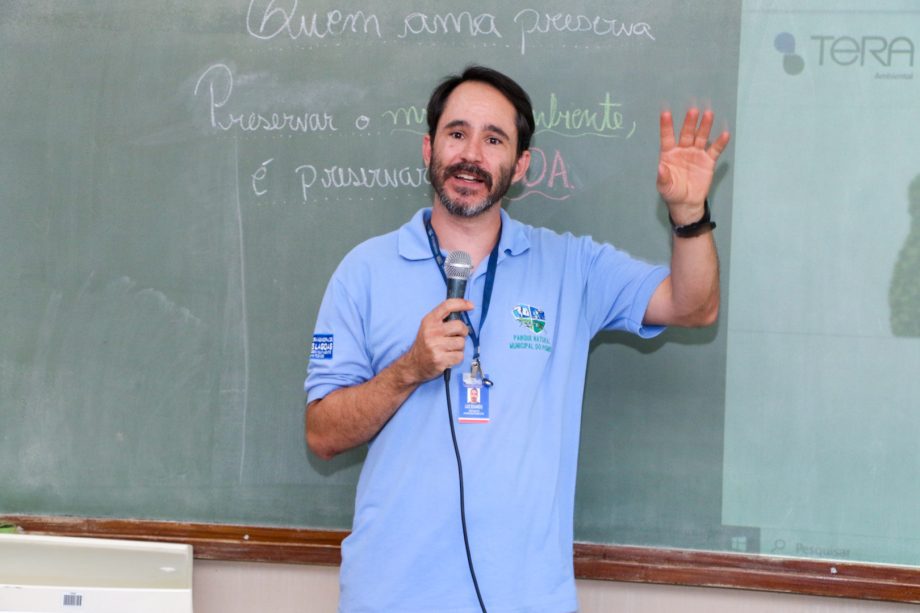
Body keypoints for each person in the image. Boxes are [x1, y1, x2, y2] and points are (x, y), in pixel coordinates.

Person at [304, 65, 730, 612]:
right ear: (429, 148)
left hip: (527, 598)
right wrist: (408, 370)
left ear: (521, 165)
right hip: (392, 597)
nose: (471, 155)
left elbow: (694, 306)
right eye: (457, 133)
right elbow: (322, 434)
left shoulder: (571, 266)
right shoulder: (363, 271)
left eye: (494, 139)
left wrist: (689, 216)